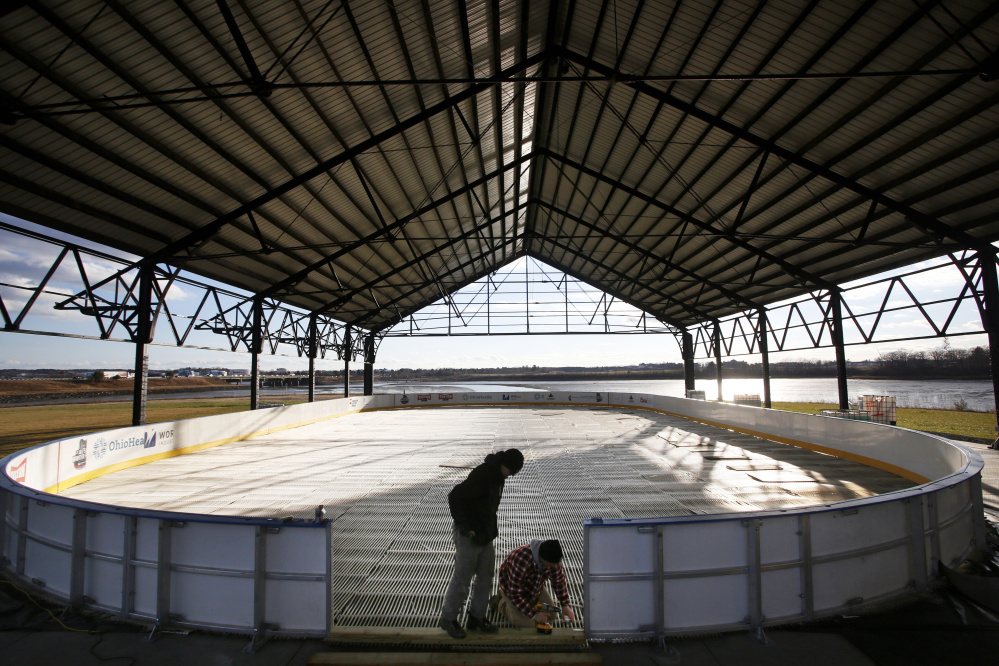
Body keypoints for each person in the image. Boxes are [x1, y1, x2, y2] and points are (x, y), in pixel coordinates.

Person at [438, 448, 524, 639]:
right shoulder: (483, 474)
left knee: (485, 577)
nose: (510, 476)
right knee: (463, 578)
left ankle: (476, 616)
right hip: (469, 534)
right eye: (510, 471)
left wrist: (490, 531)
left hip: (485, 535)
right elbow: (455, 496)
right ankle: (448, 618)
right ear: (504, 465)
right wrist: (464, 526)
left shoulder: (499, 477)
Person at [495, 539, 576, 629]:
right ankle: (501, 602)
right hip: (513, 590)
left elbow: (558, 581)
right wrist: (534, 614)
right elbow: (515, 594)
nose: (554, 567)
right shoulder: (521, 559)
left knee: (552, 615)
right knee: (527, 625)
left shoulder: (553, 560)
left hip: (535, 587)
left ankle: (529, 604)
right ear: (542, 559)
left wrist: (565, 605)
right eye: (551, 565)